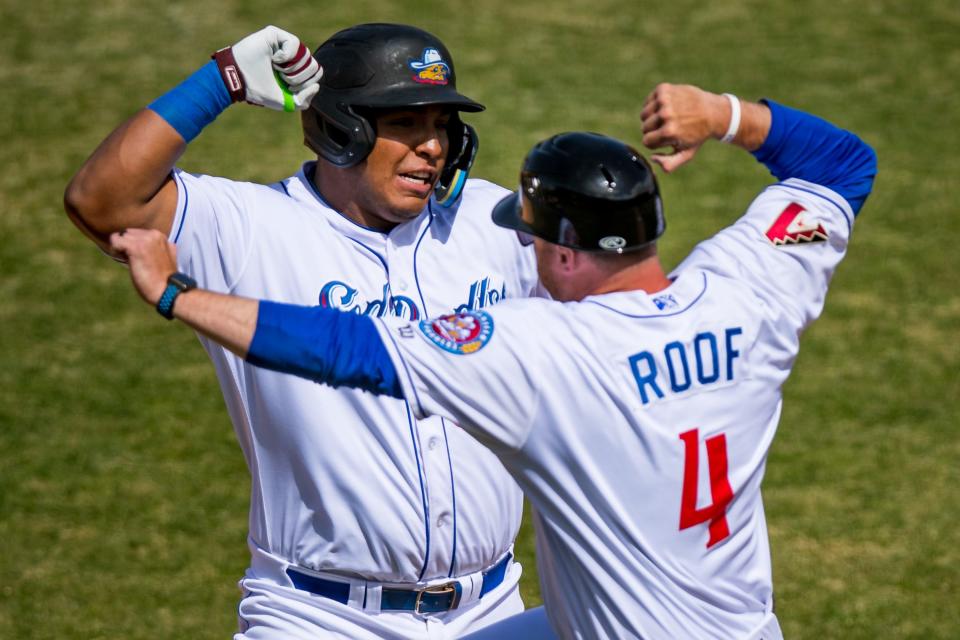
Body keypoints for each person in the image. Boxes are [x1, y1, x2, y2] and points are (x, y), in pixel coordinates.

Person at [110, 83, 877, 639]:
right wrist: (725, 116)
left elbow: (352, 349)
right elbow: (843, 167)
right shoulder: (748, 293)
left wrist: (179, 295)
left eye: (535, 235)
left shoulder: (548, 355)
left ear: (567, 252)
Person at [64, 23, 540, 640]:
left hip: (492, 609)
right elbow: (101, 202)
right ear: (342, 128)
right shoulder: (251, 228)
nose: (433, 147)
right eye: (406, 124)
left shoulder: (490, 219)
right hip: (318, 617)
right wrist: (222, 81)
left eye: (442, 125)